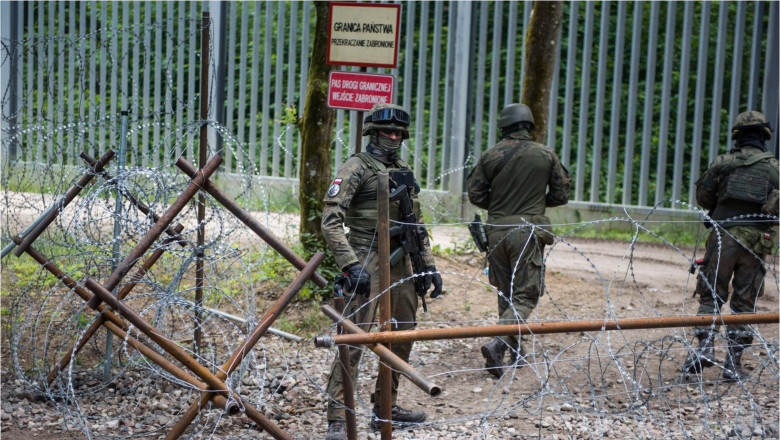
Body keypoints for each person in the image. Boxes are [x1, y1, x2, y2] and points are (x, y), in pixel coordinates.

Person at [322, 103, 443, 440]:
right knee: (354, 337)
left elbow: (416, 223)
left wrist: (428, 265)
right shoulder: (356, 167)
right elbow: (331, 220)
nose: (394, 137)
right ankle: (338, 416)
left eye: (399, 133)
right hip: (366, 257)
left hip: (403, 259)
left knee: (402, 333)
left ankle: (385, 407)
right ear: (372, 133)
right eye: (387, 132)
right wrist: (350, 263)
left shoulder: (403, 167)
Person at [466, 103, 571, 378]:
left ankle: (513, 352)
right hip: (527, 230)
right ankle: (499, 341)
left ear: (504, 126)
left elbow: (475, 194)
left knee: (506, 291)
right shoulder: (545, 154)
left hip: (497, 231)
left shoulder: (490, 155)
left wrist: (501, 204)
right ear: (529, 126)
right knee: (527, 293)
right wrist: (536, 203)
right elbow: (561, 194)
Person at [682, 110, 779, 381]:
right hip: (757, 242)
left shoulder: (722, 163)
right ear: (764, 136)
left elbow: (703, 197)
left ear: (737, 136)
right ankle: (733, 364)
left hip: (724, 237)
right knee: (744, 302)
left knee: (711, 293)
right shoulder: (774, 168)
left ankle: (705, 348)